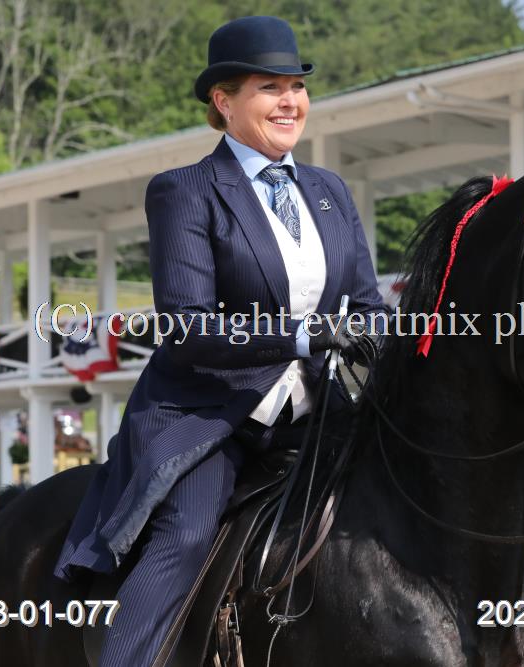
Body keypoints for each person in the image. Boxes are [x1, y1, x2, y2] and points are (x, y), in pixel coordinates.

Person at [52, 15, 385, 666]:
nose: (290, 101)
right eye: (270, 88)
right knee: (185, 534)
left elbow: (367, 302)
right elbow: (190, 327)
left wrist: (380, 337)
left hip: (318, 412)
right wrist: (303, 334)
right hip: (211, 413)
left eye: (297, 86)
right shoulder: (184, 192)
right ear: (224, 101)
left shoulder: (329, 190)